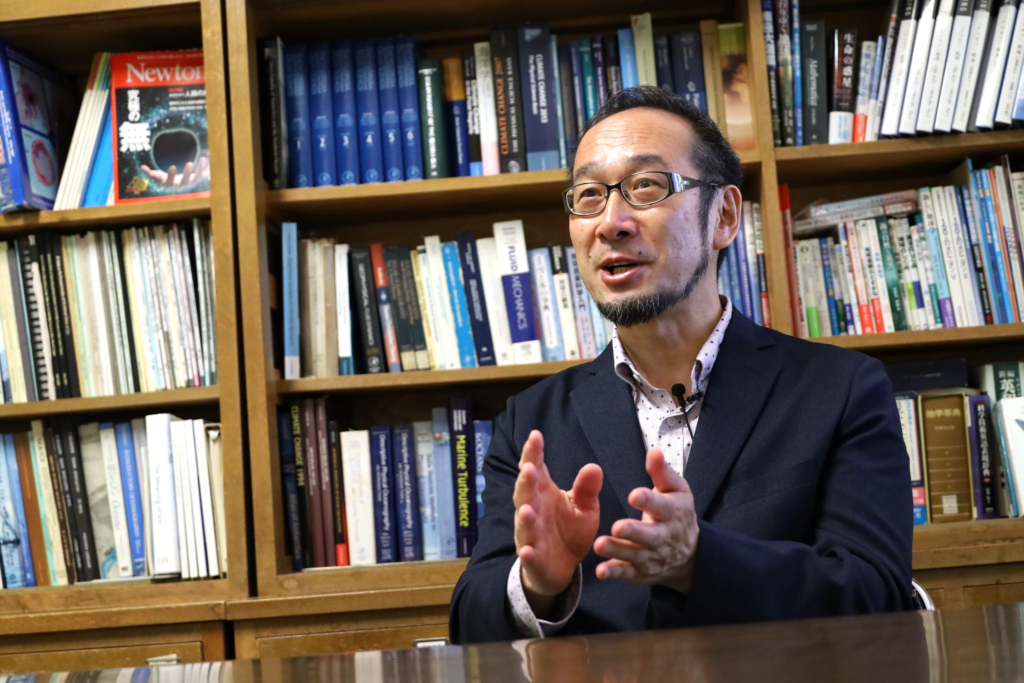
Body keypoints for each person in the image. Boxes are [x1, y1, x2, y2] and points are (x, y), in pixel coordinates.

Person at [448, 86, 913, 643]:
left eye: (645, 186)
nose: (610, 222)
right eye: (589, 195)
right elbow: (468, 627)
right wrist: (538, 585)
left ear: (724, 216)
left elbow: (877, 593)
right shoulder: (531, 422)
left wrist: (699, 560)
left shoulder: (840, 390)